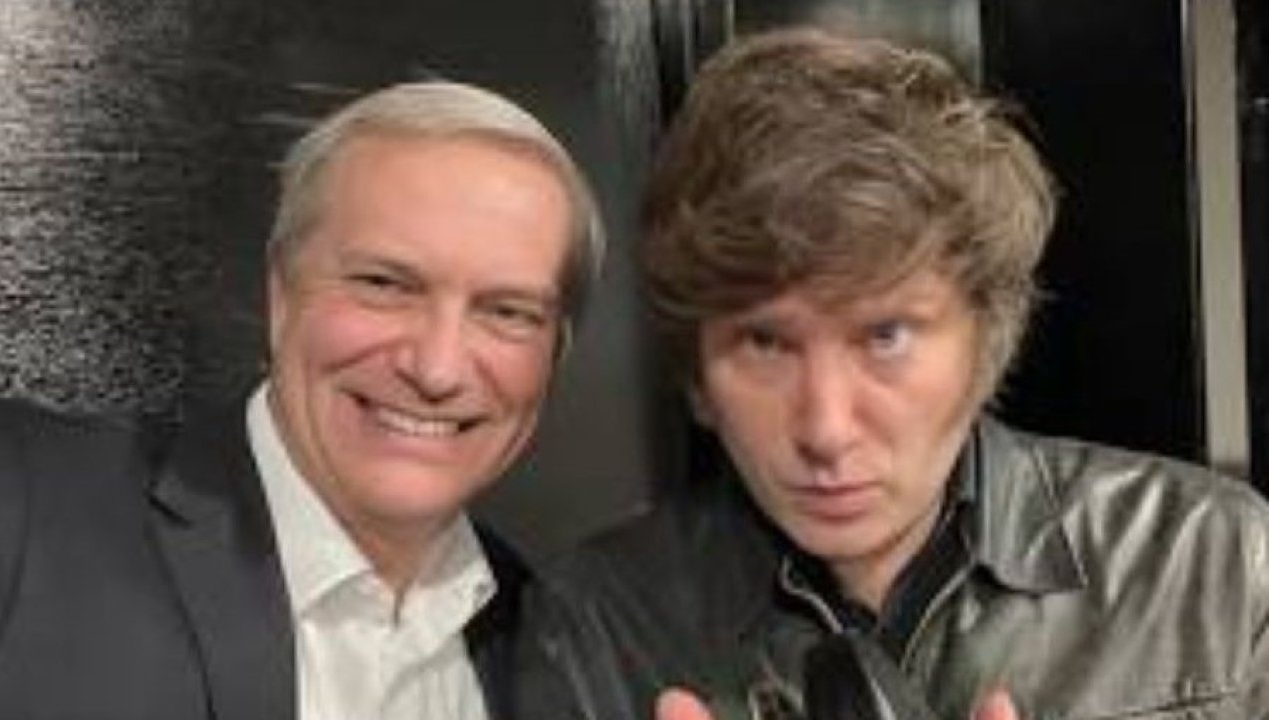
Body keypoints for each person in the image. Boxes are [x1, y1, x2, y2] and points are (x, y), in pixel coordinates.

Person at [516, 26, 1269, 720]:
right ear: (698, 380)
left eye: (886, 336)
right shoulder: (595, 619)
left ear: (987, 344)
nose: (826, 429)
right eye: (765, 343)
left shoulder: (1214, 559)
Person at [0, 79, 603, 720]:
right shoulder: (27, 498)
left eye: (508, 312)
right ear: (281, 294)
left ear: (555, 353)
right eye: (384, 284)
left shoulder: (555, 644)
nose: (437, 369)